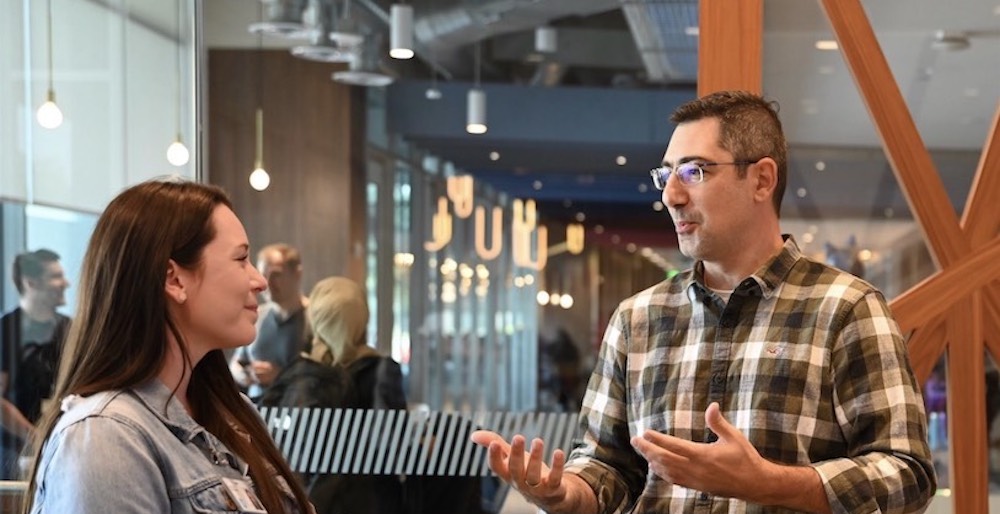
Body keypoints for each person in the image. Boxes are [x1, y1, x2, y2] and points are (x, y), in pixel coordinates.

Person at [471, 90, 936, 513]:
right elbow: (607, 467)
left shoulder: (846, 307)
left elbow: (907, 474)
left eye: (694, 171)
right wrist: (562, 493)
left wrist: (770, 483)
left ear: (761, 179)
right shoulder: (638, 318)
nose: (671, 195)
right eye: (665, 174)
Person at [22, 179, 312, 513]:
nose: (259, 282)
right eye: (241, 259)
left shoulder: (235, 415)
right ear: (174, 279)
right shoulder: (106, 436)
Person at [0, 249, 71, 479]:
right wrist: (36, 437)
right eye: (56, 276)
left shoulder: (71, 329)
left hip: (62, 449)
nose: (65, 283)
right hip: (14, 457)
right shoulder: (6, 330)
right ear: (30, 282)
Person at [230, 243, 311, 401]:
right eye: (263, 274)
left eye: (276, 275)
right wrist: (246, 374)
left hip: (299, 412)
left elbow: (324, 376)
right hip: (258, 411)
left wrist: (280, 376)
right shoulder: (256, 315)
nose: (267, 283)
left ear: (297, 274)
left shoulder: (313, 319)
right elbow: (235, 365)